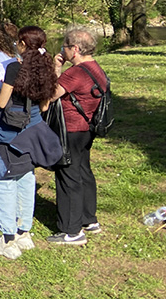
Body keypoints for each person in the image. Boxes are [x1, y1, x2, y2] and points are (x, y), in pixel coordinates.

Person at [0, 26, 62, 259]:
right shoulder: (46, 68)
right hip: (32, 132)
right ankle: (23, 233)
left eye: (18, 42)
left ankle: (7, 241)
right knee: (26, 178)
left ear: (23, 44)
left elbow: (3, 102)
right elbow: (45, 105)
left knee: (2, 180)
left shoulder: (15, 67)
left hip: (7, 133)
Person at [47, 28, 108, 245]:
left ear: (75, 49)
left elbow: (52, 94)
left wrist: (56, 68)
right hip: (87, 128)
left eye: (64, 47)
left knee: (68, 176)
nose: (62, 50)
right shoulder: (96, 68)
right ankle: (89, 219)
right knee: (84, 171)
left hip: (71, 129)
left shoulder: (75, 73)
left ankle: (72, 231)